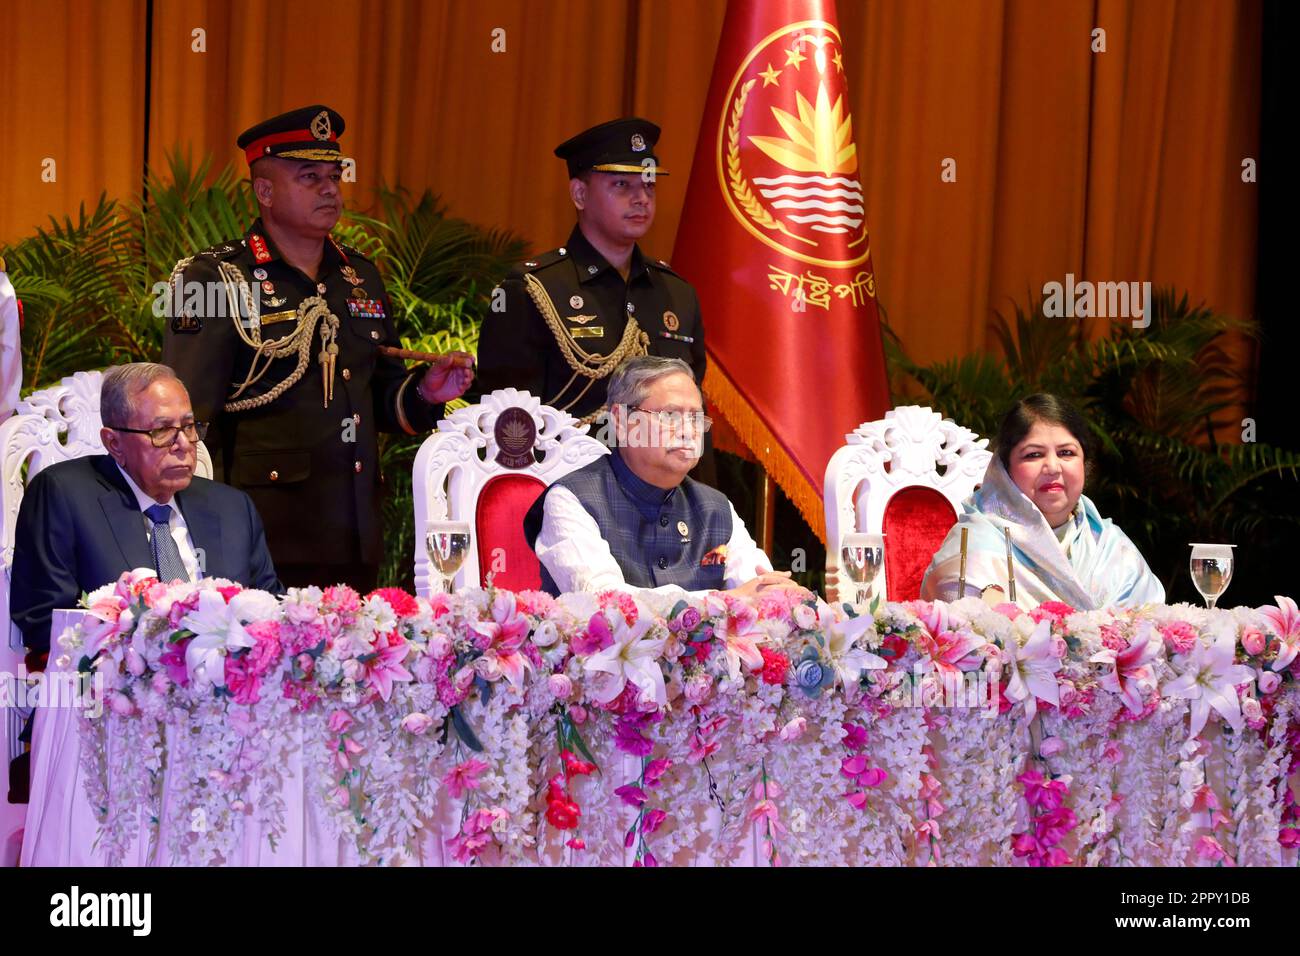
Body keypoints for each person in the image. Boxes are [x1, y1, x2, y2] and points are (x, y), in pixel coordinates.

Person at [161, 105, 474, 592]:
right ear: (264, 191)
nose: (330, 189)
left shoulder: (359, 276)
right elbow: (188, 417)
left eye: (334, 176)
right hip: (261, 535)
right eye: (310, 177)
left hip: (354, 532)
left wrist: (427, 393)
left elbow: (384, 400)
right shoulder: (215, 278)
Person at [476, 117, 715, 481]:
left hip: (668, 508)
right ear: (580, 195)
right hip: (569, 504)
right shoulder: (531, 289)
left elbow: (692, 417)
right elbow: (507, 429)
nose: (641, 198)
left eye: (649, 185)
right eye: (622, 184)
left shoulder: (676, 294)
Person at [10, 364, 282, 653]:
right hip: (117, 688)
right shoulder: (64, 495)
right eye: (162, 431)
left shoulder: (232, 507)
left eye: (189, 427)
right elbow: (43, 623)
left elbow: (272, 612)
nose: (183, 445)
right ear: (114, 443)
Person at [524, 356, 802, 598]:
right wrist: (726, 602)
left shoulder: (715, 507)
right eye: (670, 415)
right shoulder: (573, 499)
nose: (688, 431)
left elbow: (758, 586)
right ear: (621, 420)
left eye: (695, 418)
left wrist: (782, 596)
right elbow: (604, 603)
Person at [920, 393, 1165, 610]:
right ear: (1004, 469)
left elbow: (1152, 633)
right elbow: (967, 635)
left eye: (1066, 453)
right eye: (1033, 455)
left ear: (1085, 463)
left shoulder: (1110, 545)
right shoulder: (974, 545)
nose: (1052, 467)